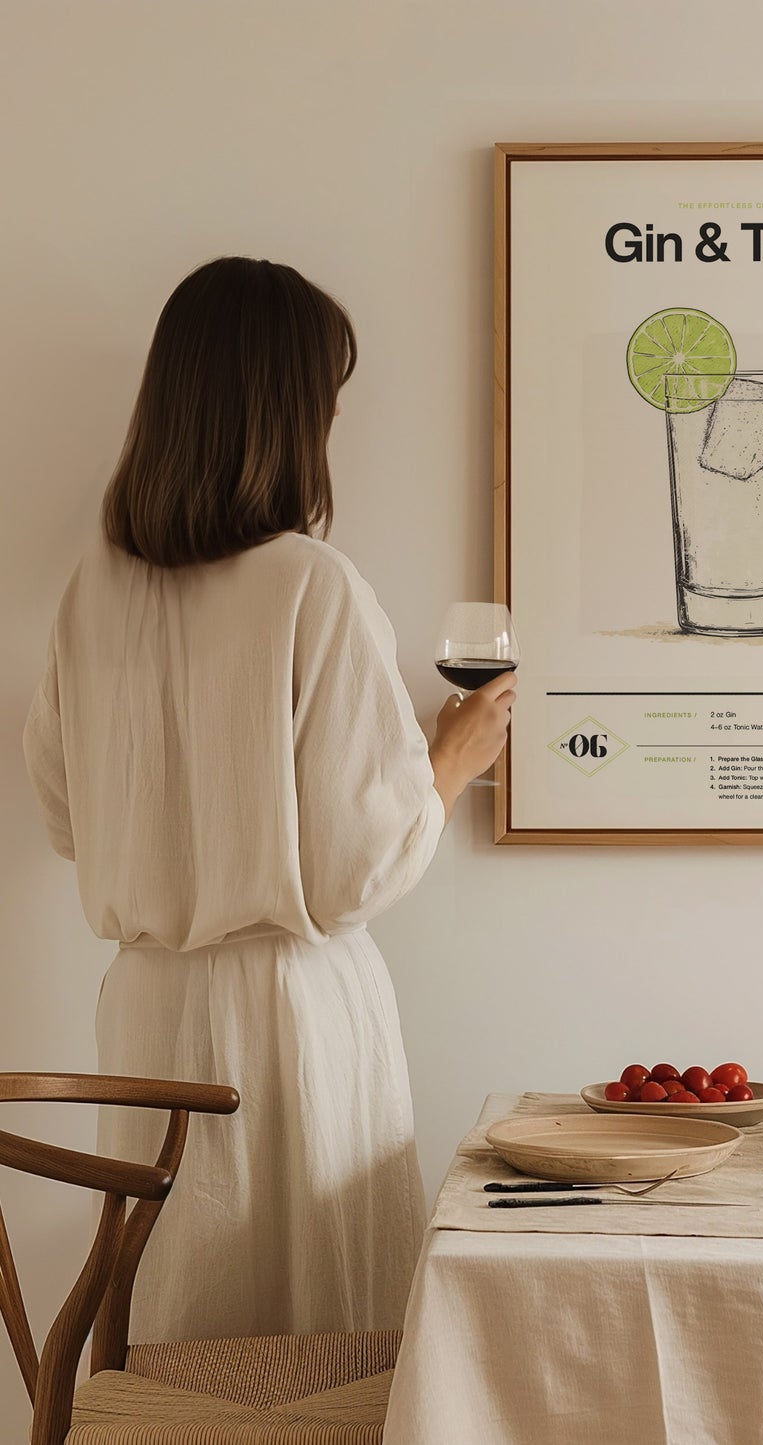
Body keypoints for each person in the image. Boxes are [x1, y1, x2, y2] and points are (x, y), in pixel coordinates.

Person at [21, 256, 511, 1341]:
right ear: (289, 411)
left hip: (145, 1011)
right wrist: (449, 758)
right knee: (316, 1341)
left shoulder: (93, 590)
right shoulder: (310, 583)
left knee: (176, 1323)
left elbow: (65, 815)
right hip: (289, 1016)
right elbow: (351, 871)